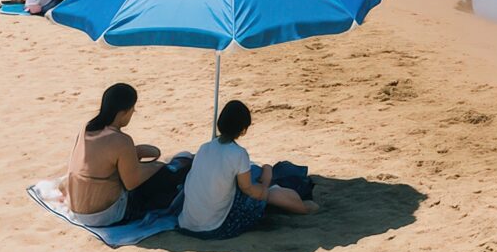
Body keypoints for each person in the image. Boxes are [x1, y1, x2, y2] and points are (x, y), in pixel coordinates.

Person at [179, 99, 319, 238]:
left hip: (186, 223)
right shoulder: (238, 153)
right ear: (243, 130)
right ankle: (301, 207)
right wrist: (266, 182)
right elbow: (249, 189)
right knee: (257, 196)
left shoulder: (204, 148)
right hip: (213, 228)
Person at [62, 83, 185, 227]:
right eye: (132, 110)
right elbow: (132, 182)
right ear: (122, 113)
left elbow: (105, 157)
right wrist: (158, 166)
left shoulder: (87, 128)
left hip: (76, 207)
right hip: (103, 214)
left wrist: (136, 153)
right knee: (170, 174)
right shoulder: (121, 140)